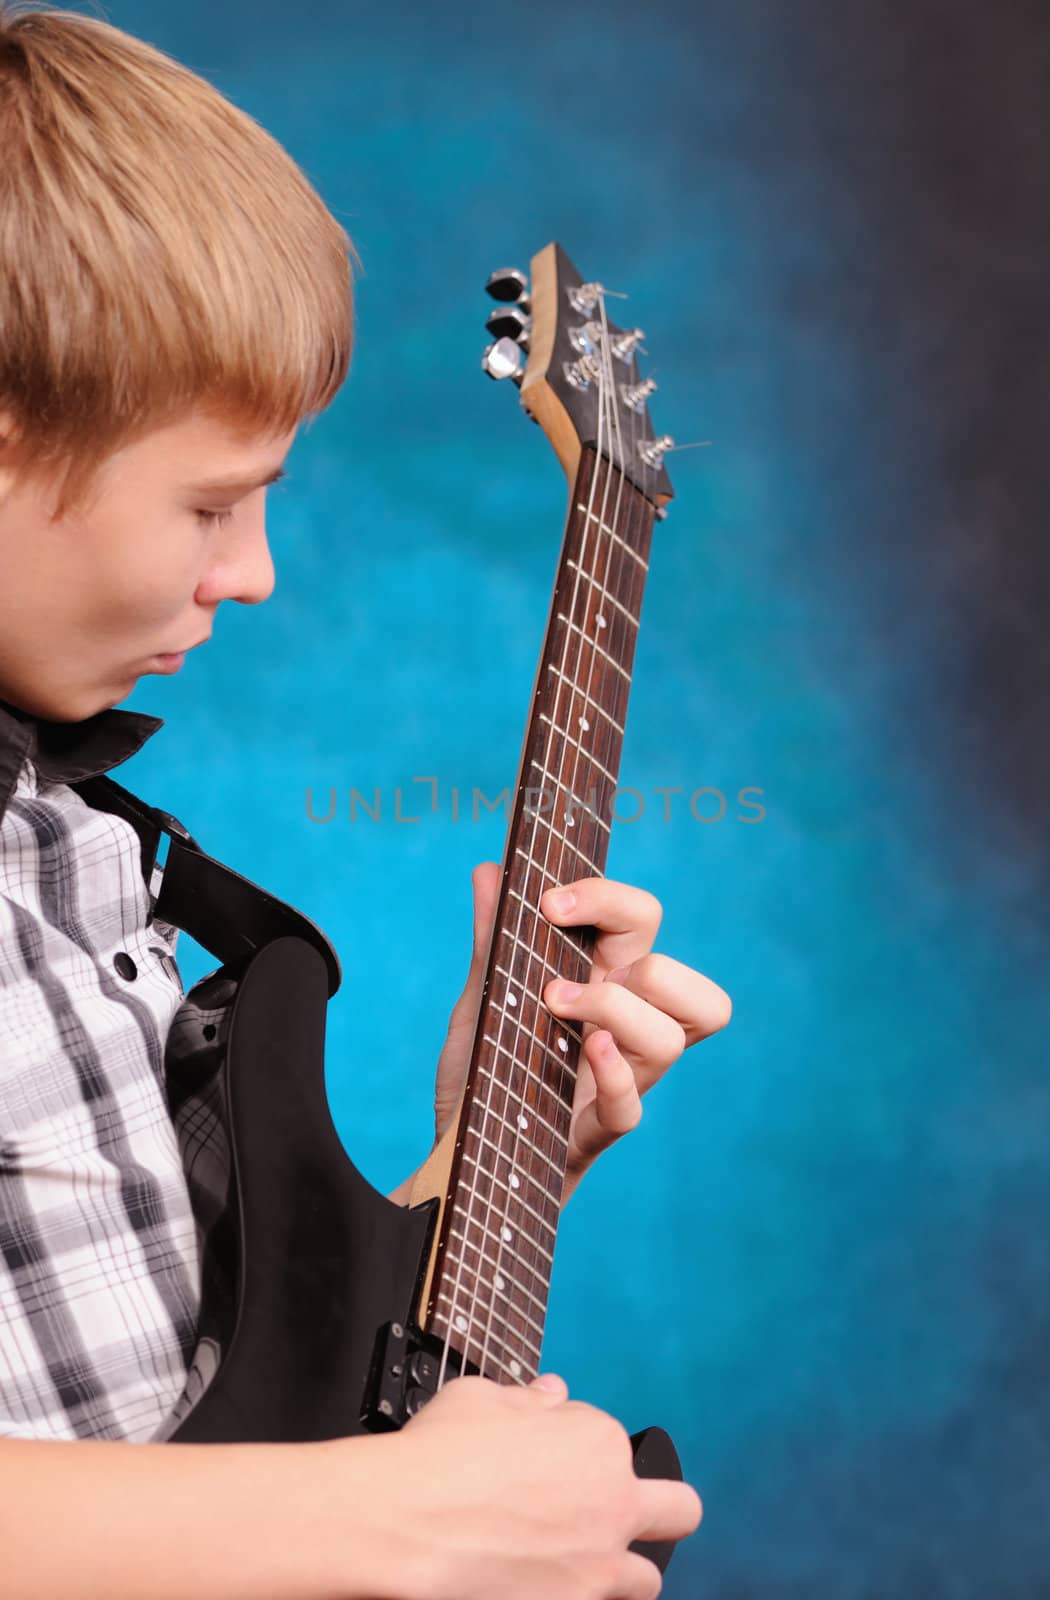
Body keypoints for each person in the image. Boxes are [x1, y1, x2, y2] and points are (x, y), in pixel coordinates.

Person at [0, 5, 732, 1596]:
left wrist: (480, 1150)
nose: (252, 571)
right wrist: (408, 1522)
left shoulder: (73, 853)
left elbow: (192, 1433)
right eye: (210, 498)